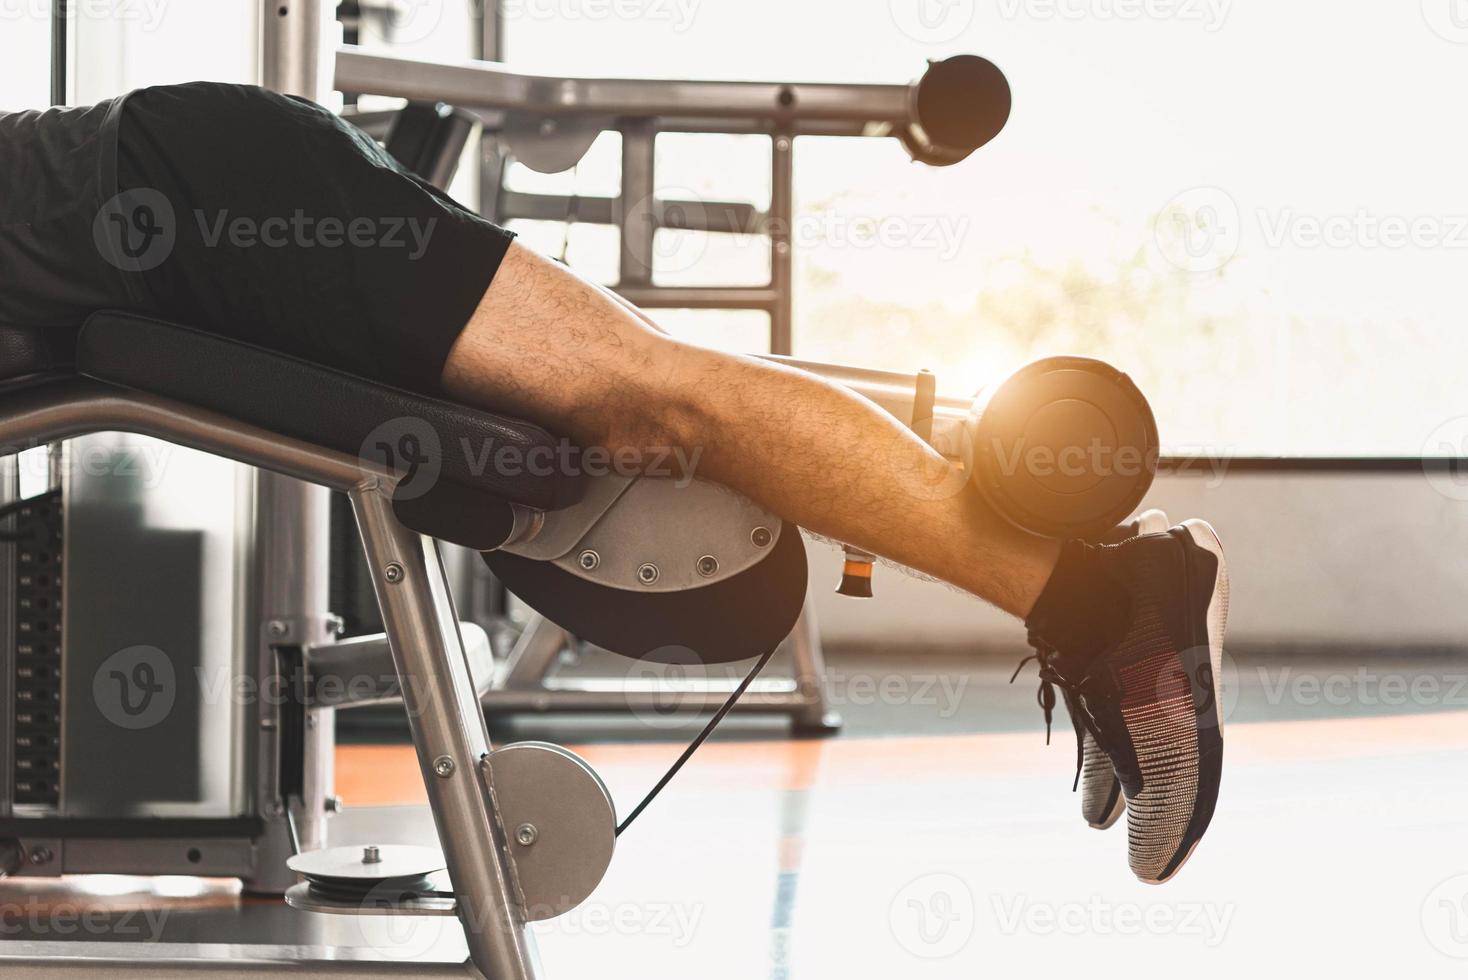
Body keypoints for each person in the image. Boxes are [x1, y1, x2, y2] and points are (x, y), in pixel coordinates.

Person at [0, 81, 1229, 884]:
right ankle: (1096, 597)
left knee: (652, 392)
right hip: (191, 218)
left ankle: (1103, 597)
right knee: (645, 392)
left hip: (198, 198)